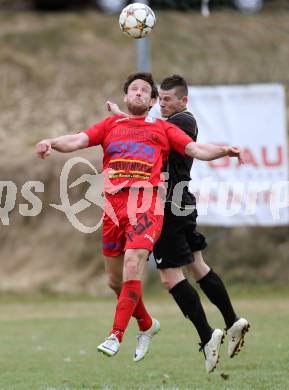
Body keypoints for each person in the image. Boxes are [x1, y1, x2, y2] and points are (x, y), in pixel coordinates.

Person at [36, 72, 243, 368]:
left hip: (146, 205)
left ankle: (115, 334)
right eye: (133, 88)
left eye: (145, 90)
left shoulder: (162, 128)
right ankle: (146, 324)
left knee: (134, 265)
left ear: (153, 101)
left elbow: (195, 149)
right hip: (113, 208)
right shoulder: (111, 124)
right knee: (114, 281)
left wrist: (225, 150)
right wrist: (51, 142)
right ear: (125, 96)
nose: (138, 92)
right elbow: (77, 139)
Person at [108, 74, 249, 373]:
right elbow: (149, 130)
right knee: (197, 266)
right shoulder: (169, 121)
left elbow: (154, 134)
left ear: (184, 100)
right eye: (161, 100)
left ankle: (207, 335)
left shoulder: (182, 121)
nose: (163, 105)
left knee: (170, 277)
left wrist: (123, 116)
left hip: (169, 206)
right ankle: (233, 320)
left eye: (168, 100)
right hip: (181, 201)